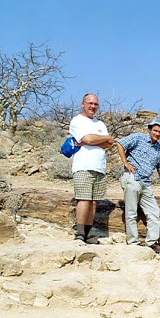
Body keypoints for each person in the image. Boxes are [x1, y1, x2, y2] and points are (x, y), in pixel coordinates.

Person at [117, 117, 160, 253]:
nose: (157, 134)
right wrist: (125, 162)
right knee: (131, 212)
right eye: (155, 130)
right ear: (150, 129)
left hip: (145, 182)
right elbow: (120, 143)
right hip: (132, 178)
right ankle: (133, 243)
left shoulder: (159, 149)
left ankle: (151, 243)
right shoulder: (138, 138)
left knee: (154, 212)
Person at [69, 93, 114, 244]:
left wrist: (95, 139)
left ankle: (88, 233)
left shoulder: (100, 124)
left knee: (94, 201)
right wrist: (102, 138)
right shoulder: (77, 121)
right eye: (90, 103)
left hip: (99, 166)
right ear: (83, 104)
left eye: (95, 104)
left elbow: (109, 144)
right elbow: (87, 139)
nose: (93, 106)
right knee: (84, 199)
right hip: (83, 165)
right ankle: (80, 233)